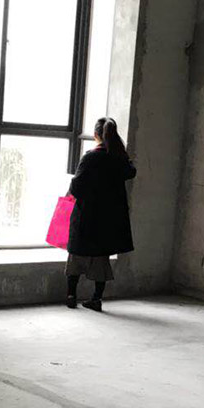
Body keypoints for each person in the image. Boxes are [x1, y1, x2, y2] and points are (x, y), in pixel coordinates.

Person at [65, 116, 136, 311]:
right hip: (107, 220)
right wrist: (124, 154)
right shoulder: (118, 158)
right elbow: (131, 172)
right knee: (100, 260)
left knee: (76, 256)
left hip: (86, 216)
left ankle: (71, 295)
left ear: (96, 135)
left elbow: (76, 187)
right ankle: (96, 298)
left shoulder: (90, 157)